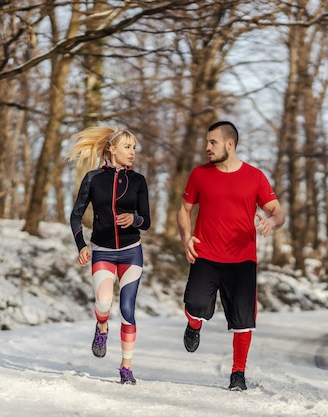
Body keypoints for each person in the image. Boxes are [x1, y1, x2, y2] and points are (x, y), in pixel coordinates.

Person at [177, 120, 285, 391]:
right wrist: (185, 237)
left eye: (212, 142)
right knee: (196, 304)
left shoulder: (255, 177)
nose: (207, 147)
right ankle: (194, 324)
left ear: (229, 144)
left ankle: (238, 373)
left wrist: (271, 222)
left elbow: (277, 211)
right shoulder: (200, 174)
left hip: (242, 260)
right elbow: (184, 209)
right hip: (206, 254)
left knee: (242, 320)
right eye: (206, 142)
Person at [67, 126, 151, 385]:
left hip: (131, 252)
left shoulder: (138, 181)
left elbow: (146, 221)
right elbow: (76, 215)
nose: (132, 152)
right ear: (112, 149)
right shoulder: (93, 179)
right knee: (103, 304)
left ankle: (126, 367)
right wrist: (82, 245)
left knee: (127, 309)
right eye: (127, 147)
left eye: (134, 148)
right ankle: (101, 327)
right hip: (102, 251)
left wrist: (134, 218)